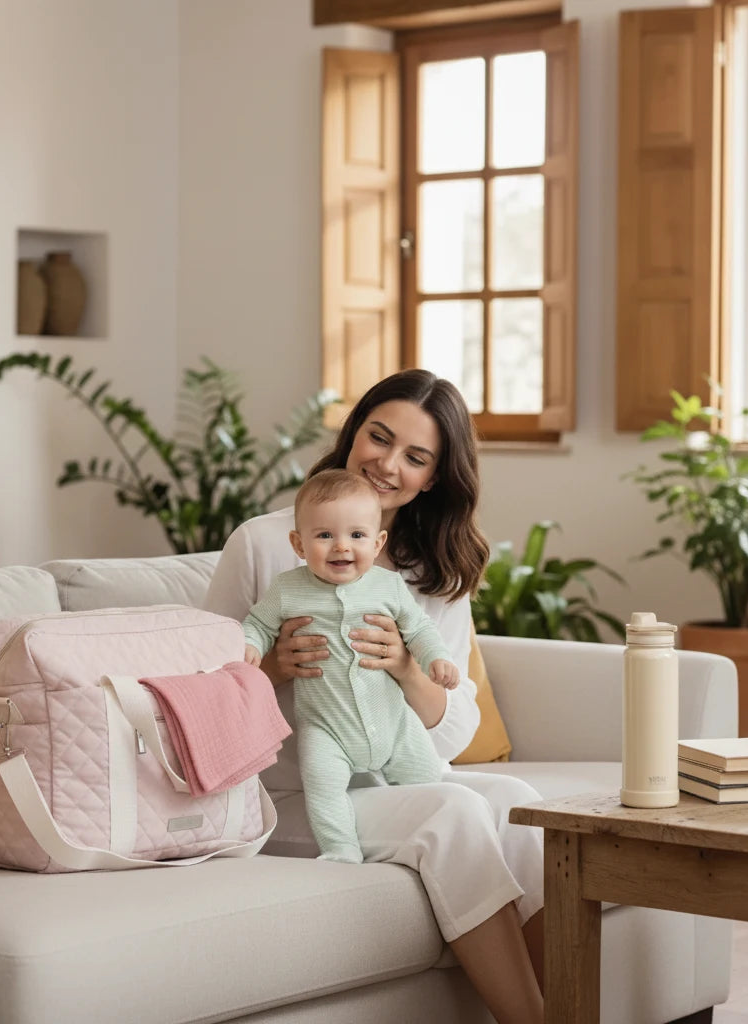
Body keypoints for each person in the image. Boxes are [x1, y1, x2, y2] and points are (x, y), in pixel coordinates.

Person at [205, 369, 545, 1024]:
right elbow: (200, 698)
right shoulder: (263, 544)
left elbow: (452, 735)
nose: (388, 465)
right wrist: (271, 667)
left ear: (435, 478)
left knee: (521, 807)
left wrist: (408, 673)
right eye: (378, 438)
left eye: (415, 457)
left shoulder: (436, 569)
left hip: (393, 779)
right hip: (287, 795)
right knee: (450, 813)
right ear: (353, 433)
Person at [242, 468, 458, 864]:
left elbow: (419, 627)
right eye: (324, 535)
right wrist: (250, 646)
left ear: (377, 544)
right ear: (299, 543)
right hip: (326, 729)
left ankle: (428, 842)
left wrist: (435, 659)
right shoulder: (288, 589)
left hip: (394, 723)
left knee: (432, 790)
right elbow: (257, 624)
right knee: (323, 787)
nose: (341, 546)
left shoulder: (389, 586)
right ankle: (341, 849)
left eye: (356, 536)